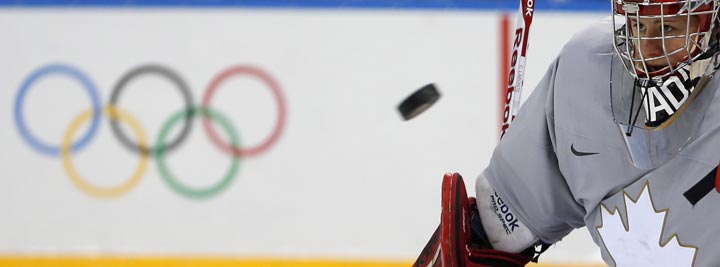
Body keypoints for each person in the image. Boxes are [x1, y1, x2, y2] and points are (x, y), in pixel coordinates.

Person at [413, 0, 720, 266]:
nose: (648, 50)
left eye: (668, 29)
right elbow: (496, 231)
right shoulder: (589, 70)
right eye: (638, 24)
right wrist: (481, 243)